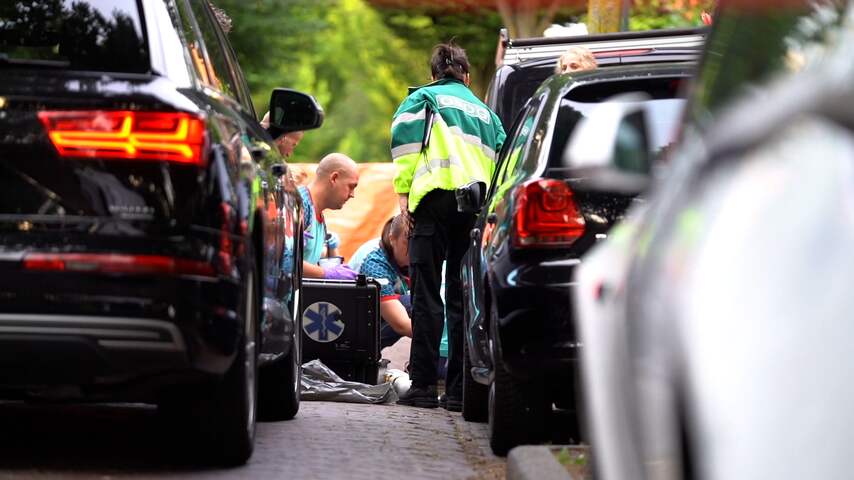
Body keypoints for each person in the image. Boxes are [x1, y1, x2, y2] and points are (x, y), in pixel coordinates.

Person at [391, 41, 505, 409]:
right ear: (466, 76)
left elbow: (405, 148)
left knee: (426, 294)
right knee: (462, 298)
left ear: (434, 74)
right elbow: (503, 159)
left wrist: (403, 196)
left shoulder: (423, 98)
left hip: (433, 202)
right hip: (474, 211)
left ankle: (423, 388)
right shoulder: (488, 114)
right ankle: (458, 391)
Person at [300, 153, 360, 280]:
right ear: (334, 178)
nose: (352, 195)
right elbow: (284, 262)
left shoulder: (319, 216)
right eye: (351, 186)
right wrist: (326, 273)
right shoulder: (300, 205)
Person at [358, 215, 413, 348]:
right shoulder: (374, 263)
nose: (413, 249)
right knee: (413, 305)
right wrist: (443, 338)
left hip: (370, 314)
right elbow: (401, 324)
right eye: (407, 242)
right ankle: (359, 354)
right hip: (355, 325)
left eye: (418, 242)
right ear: (392, 238)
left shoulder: (399, 254)